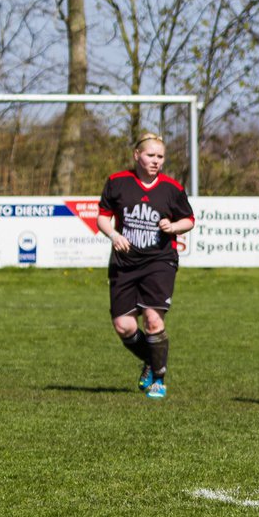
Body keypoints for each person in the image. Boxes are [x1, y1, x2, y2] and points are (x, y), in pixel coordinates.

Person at [96, 132, 195, 399]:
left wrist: (173, 226)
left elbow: (189, 220)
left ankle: (159, 379)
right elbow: (102, 218)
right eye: (150, 155)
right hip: (124, 263)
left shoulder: (171, 189)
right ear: (136, 155)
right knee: (124, 326)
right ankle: (150, 360)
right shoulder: (117, 183)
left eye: (160, 157)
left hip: (159, 261)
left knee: (153, 320)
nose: (155, 161)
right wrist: (114, 235)